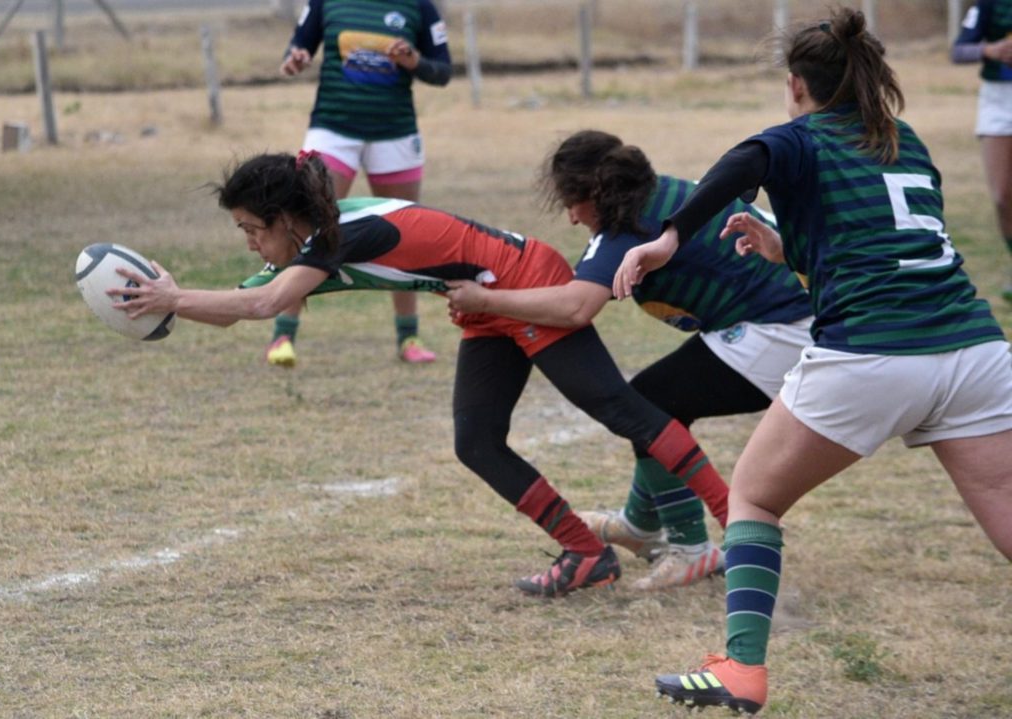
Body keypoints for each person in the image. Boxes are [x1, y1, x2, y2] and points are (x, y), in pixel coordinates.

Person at [612, 8, 1012, 714]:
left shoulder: (801, 137)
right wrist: (786, 249)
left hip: (875, 355)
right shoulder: (904, 140)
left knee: (755, 497)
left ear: (796, 84)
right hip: (975, 352)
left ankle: (741, 670)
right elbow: (885, 248)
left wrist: (671, 237)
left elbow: (745, 162)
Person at [111, 151, 735, 599]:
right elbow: (238, 309)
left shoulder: (342, 235)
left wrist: (172, 299)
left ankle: (741, 525)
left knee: (620, 409)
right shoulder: (315, 242)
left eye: (251, 229)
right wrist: (171, 300)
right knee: (477, 441)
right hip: (483, 301)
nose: (249, 243)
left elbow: (264, 304)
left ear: (282, 219)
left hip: (522, 283)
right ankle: (586, 552)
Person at [445, 129, 813, 591]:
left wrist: (485, 301)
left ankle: (691, 548)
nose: (571, 218)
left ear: (596, 194)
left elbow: (575, 308)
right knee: (660, 399)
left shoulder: (629, 229)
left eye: (572, 203)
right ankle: (641, 525)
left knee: (652, 401)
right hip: (797, 312)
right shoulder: (659, 196)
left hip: (785, 328)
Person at [269, 0, 453, 367]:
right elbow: (299, 45)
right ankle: (283, 335)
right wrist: (296, 58)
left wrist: (414, 61)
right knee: (309, 227)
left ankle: (408, 336)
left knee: (406, 233)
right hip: (333, 130)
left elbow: (443, 71)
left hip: (395, 133)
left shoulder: (419, 6)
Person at [952, 0, 1012, 304]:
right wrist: (991, 50)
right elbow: (958, 51)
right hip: (999, 99)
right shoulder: (991, 3)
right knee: (1002, 196)